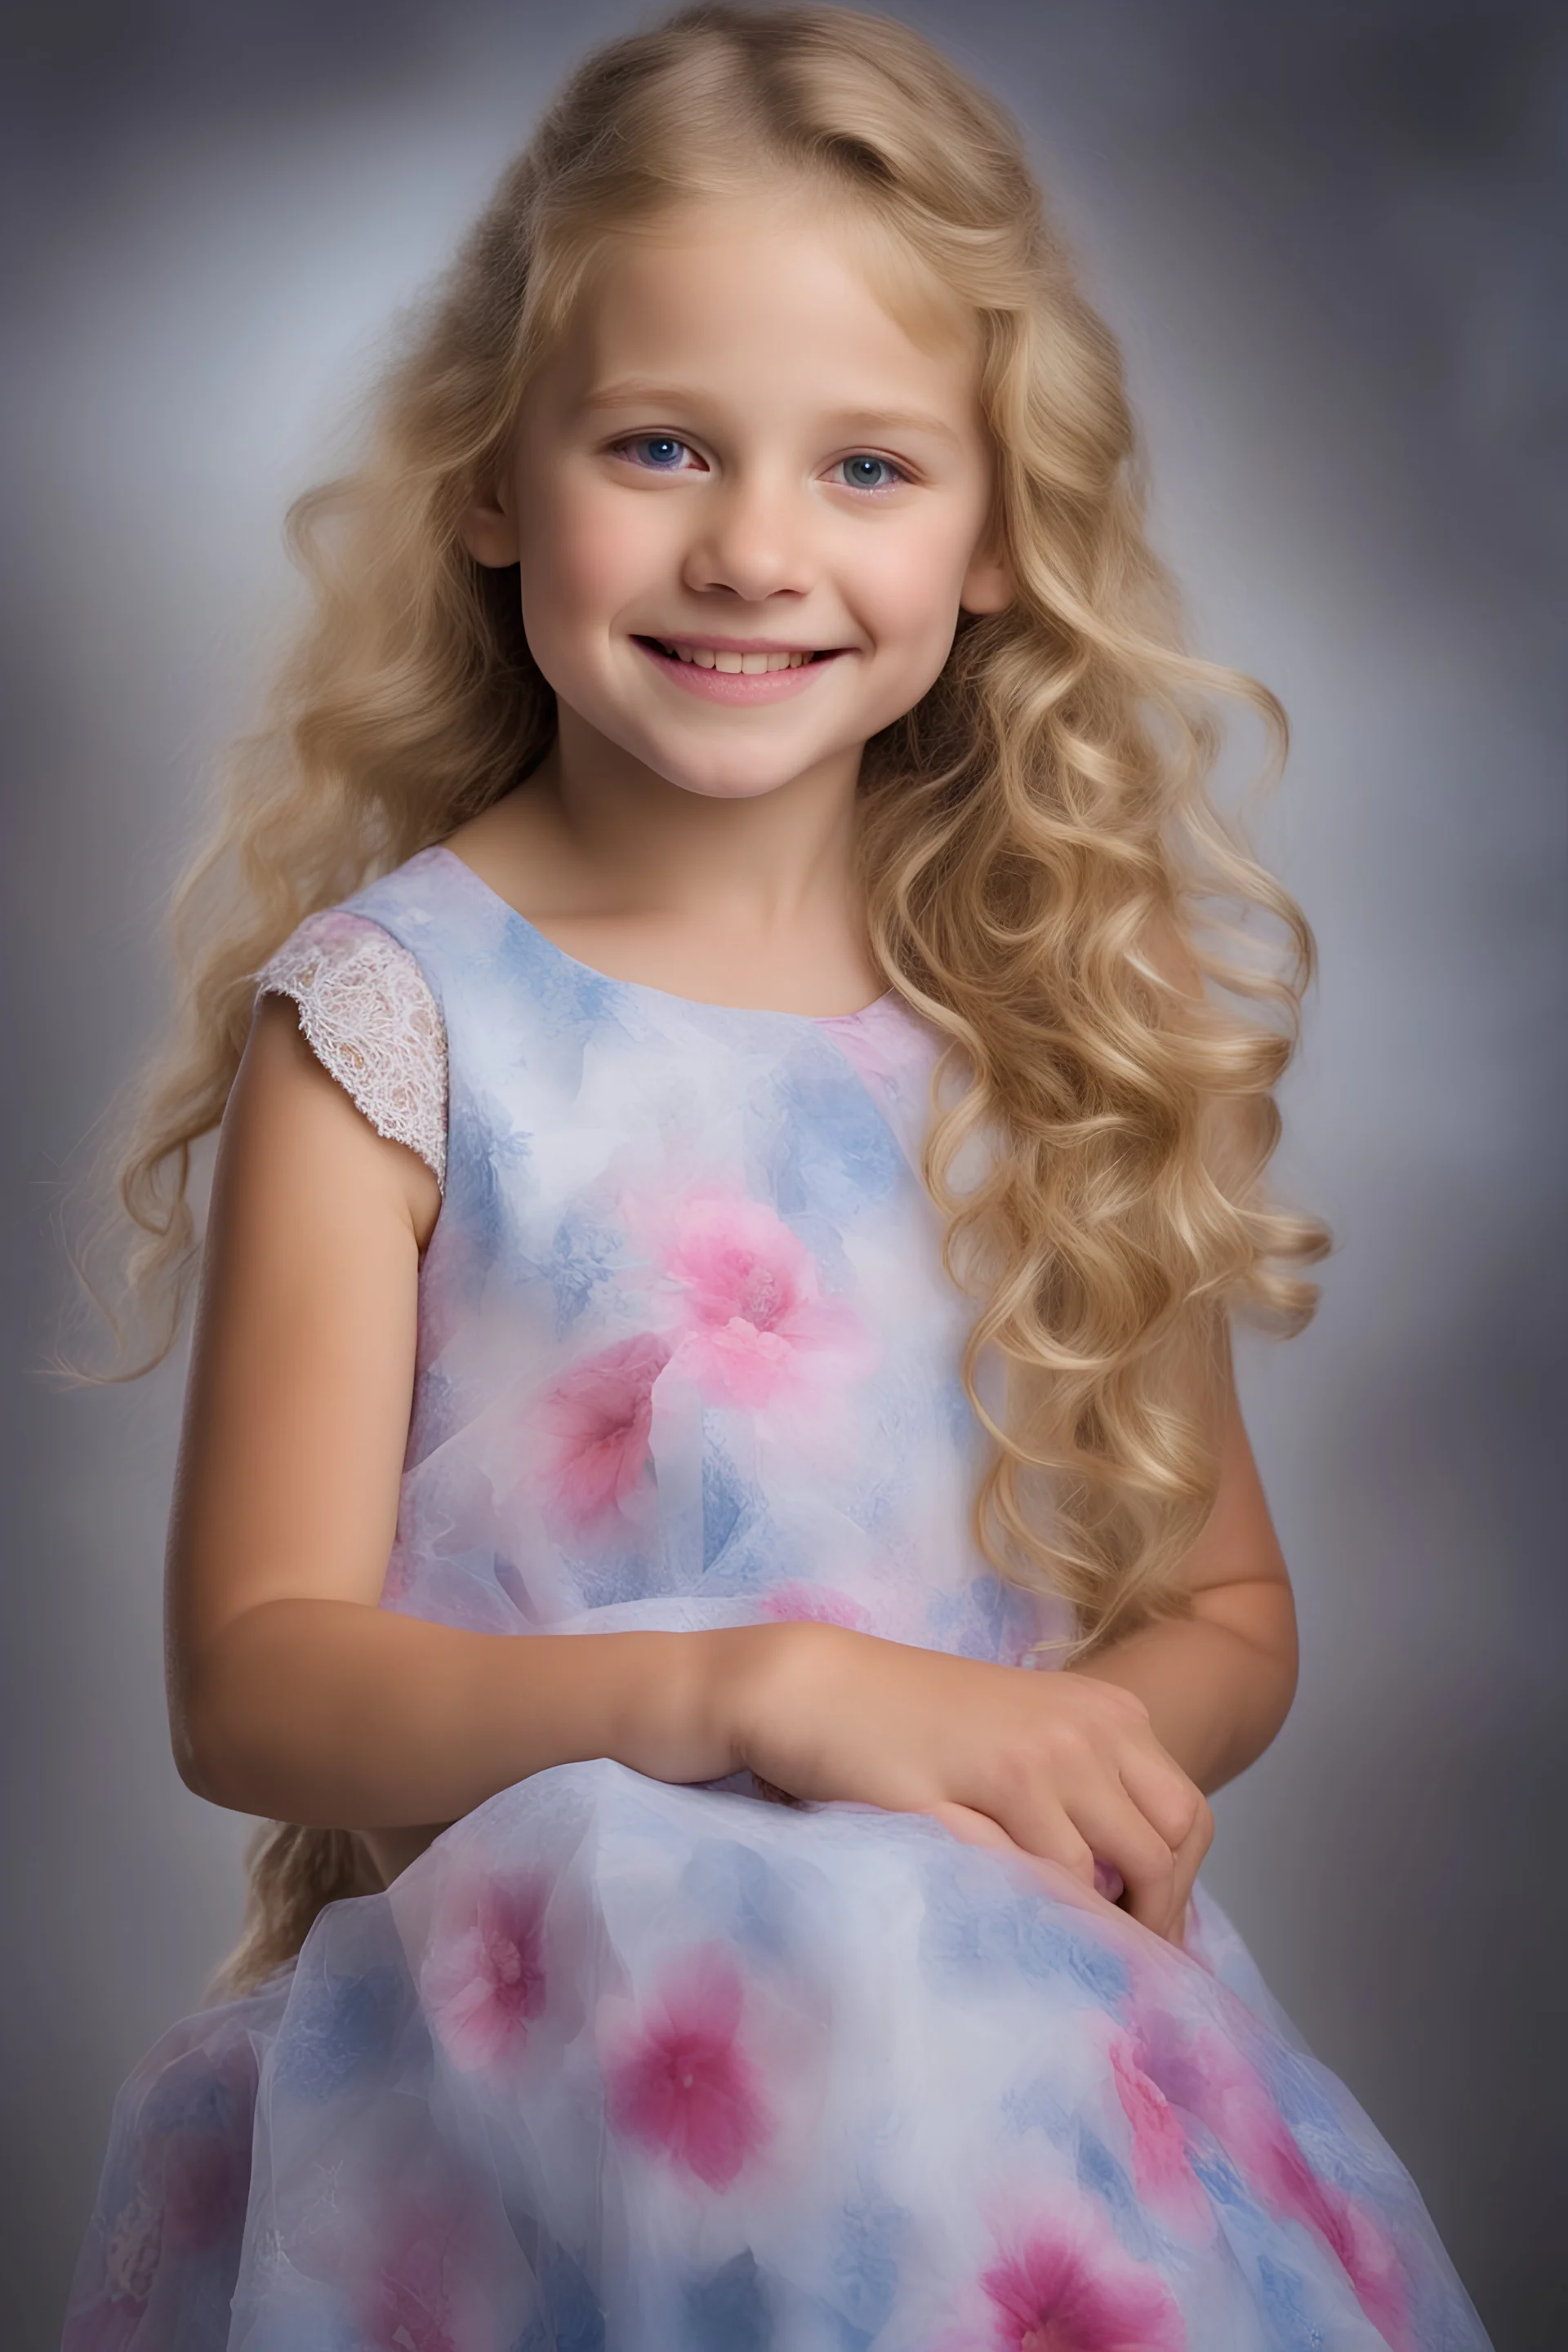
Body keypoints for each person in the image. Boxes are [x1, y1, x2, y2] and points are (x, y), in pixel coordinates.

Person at [61, 7, 1490, 2346]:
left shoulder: (1035, 1028)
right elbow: (254, 1684)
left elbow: (1230, 1620)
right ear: (495, 473)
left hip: (1015, 2091)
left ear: (1002, 529)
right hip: (548, 2105)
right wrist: (773, 1697)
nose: (752, 549)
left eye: (867, 468)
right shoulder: (401, 1024)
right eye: (659, 444)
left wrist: (1023, 1769)